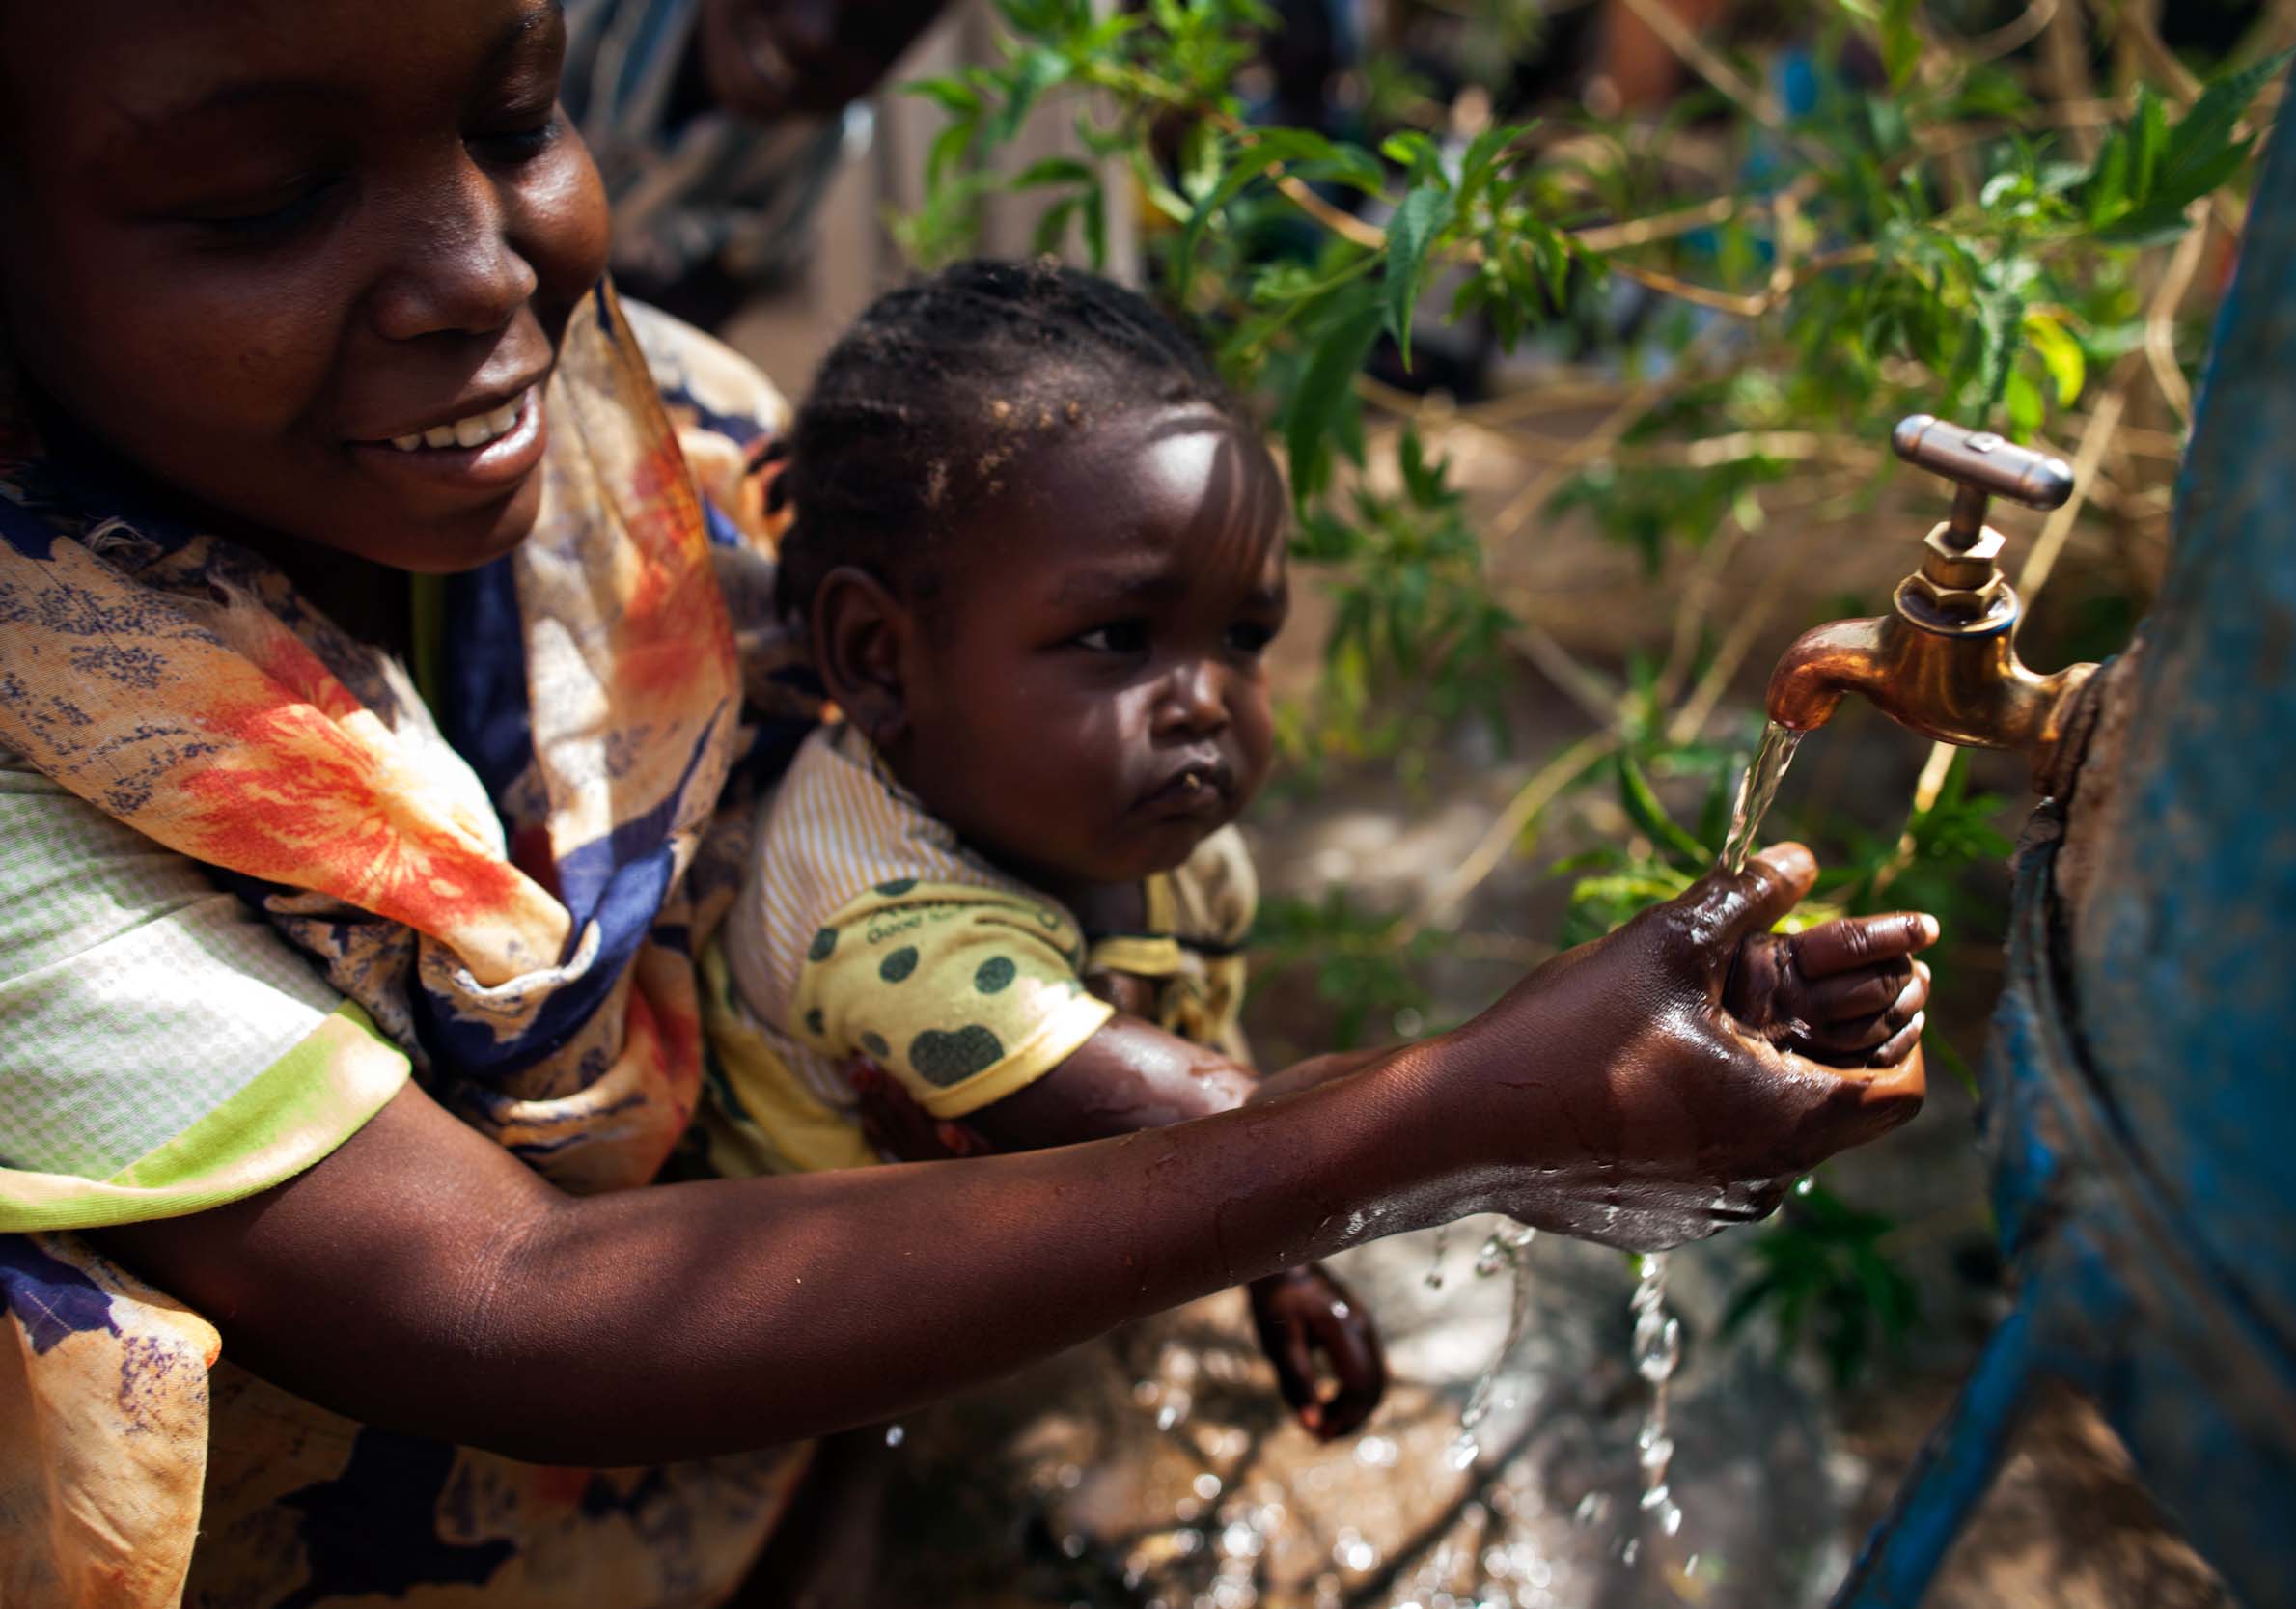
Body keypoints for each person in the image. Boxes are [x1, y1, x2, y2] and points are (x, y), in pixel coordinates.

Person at [0, 2, 1931, 1604]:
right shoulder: (32, 808)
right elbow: (498, 1291)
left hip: (727, 1401)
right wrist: (1457, 1115)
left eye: (516, 119)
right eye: (265, 198)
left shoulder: (633, 435)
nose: (482, 266)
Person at [705, 258, 1933, 1446]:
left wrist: (1271, 1271)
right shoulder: (883, 928)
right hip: (774, 1346)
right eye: (1116, 636)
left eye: (1241, 634)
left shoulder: (1126, 818)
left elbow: (1206, 1091)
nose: (1201, 700)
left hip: (966, 1250)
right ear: (877, 658)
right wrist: (1555, 1084)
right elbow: (1222, 1125)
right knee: (837, 1490)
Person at [562, 0, 954, 326]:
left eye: (872, 31)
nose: (813, 37)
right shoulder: (550, 17)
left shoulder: (815, 144)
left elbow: (715, 295)